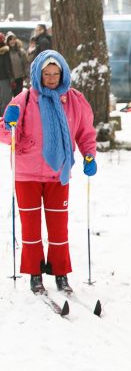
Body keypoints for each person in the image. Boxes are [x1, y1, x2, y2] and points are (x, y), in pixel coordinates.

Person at [1, 50, 97, 294]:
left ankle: (60, 272)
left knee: (58, 226)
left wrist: (89, 155)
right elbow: (7, 136)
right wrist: (7, 122)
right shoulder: (23, 100)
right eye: (47, 73)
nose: (52, 78)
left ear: (63, 73)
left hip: (58, 173)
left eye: (56, 73)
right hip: (27, 174)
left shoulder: (74, 100)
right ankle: (35, 273)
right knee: (31, 227)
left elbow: (85, 132)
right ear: (38, 74)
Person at [0, 36, 12, 109]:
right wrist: (12, 79)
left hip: (4, 78)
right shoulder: (5, 51)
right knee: (6, 99)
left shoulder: (5, 51)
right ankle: (5, 118)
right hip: (4, 78)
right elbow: (8, 66)